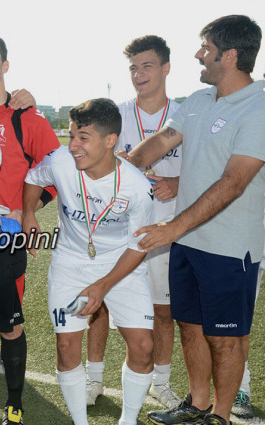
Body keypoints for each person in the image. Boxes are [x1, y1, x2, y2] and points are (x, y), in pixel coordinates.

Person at [126, 15, 265, 425]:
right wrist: (121, 171)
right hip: (188, 242)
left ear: (231, 55)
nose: (198, 55)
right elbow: (161, 143)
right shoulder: (199, 101)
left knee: (225, 338)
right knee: (191, 327)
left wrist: (173, 228)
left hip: (229, 245)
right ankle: (197, 404)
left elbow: (234, 182)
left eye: (205, 47)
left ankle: (219, 417)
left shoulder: (259, 107)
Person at [23, 98, 155, 425]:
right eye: (71, 136)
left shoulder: (137, 186)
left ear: (110, 141)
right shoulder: (59, 161)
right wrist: (28, 213)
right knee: (67, 347)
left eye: (83, 137)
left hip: (122, 265)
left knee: (143, 346)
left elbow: (138, 247)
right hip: (70, 263)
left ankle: (128, 420)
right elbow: (33, 178)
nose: (73, 146)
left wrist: (102, 285)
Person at [0, 31, 60, 425]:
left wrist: (29, 208)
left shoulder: (27, 118)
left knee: (8, 323)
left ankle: (14, 403)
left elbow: (55, 173)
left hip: (3, 236)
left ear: (5, 65)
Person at [85, 35, 183, 410]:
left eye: (147, 66)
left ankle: (161, 383)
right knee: (101, 304)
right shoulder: (116, 114)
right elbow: (89, 164)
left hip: (165, 228)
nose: (139, 75)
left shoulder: (183, 115)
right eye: (133, 68)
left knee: (163, 309)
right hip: (117, 228)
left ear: (166, 68)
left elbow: (207, 170)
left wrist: (178, 183)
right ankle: (94, 380)